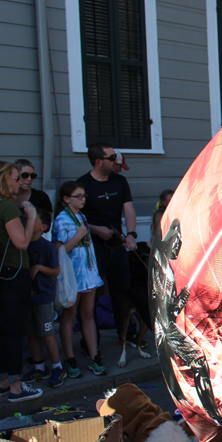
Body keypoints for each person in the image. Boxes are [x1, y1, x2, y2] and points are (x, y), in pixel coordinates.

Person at [0, 161, 42, 402]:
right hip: (13, 273)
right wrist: (32, 215)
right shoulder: (6, 207)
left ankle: (1, 382)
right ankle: (16, 386)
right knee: (14, 330)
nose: (19, 182)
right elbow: (22, 243)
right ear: (3, 180)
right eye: (15, 178)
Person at [77, 143, 137, 350]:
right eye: (112, 158)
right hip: (93, 247)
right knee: (91, 295)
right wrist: (96, 229)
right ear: (98, 162)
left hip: (117, 244)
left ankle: (127, 335)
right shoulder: (83, 184)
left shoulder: (120, 181)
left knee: (122, 291)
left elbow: (129, 211)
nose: (116, 161)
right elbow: (76, 219)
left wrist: (131, 235)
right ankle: (91, 342)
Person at [53, 181, 105, 377]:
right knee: (69, 315)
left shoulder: (81, 216)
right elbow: (60, 250)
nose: (83, 199)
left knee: (88, 314)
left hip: (88, 273)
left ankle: (94, 356)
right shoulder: (61, 220)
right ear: (66, 199)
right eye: (78, 196)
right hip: (72, 276)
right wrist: (78, 235)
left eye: (84, 195)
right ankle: (70, 358)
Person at [22, 209, 64, 388]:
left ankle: (57, 367)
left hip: (43, 297)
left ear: (43, 227)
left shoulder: (46, 246)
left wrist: (39, 267)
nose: (28, 221)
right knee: (32, 333)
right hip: (27, 297)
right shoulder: (22, 244)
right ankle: (39, 366)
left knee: (47, 334)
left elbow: (56, 270)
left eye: (33, 220)